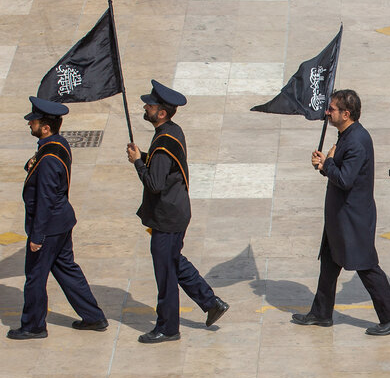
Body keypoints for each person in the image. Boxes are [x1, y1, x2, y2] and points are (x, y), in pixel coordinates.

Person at [293, 89, 390, 335]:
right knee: (329, 263)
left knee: (366, 266)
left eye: (332, 109)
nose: (327, 112)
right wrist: (325, 165)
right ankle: (321, 313)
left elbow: (345, 179)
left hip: (353, 218)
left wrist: (328, 164)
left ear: (346, 113)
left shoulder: (356, 140)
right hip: (340, 217)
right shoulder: (346, 135)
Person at [127, 80, 228, 344]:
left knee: (165, 273)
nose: (145, 107)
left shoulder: (164, 140)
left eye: (150, 105)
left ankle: (168, 327)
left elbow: (154, 183)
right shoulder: (172, 131)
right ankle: (211, 302)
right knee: (173, 261)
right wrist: (145, 156)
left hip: (168, 216)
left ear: (161, 113)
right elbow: (165, 167)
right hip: (177, 210)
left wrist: (138, 162)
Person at [8, 97, 107, 340]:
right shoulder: (56, 144)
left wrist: (37, 236)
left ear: (45, 127)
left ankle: (33, 326)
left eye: (34, 121)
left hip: (49, 226)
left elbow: (45, 199)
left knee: (35, 277)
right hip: (61, 222)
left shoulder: (50, 157)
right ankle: (93, 316)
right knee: (66, 270)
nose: (29, 124)